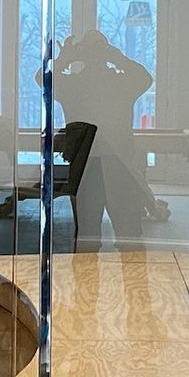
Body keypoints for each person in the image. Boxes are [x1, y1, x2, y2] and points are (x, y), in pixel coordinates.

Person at [50, 27, 152, 249]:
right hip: (109, 161)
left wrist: (64, 59)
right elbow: (144, 78)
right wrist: (118, 58)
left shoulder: (73, 85)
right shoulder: (119, 83)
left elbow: (44, 79)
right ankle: (129, 280)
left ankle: (88, 281)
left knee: (95, 236)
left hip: (98, 161)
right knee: (121, 236)